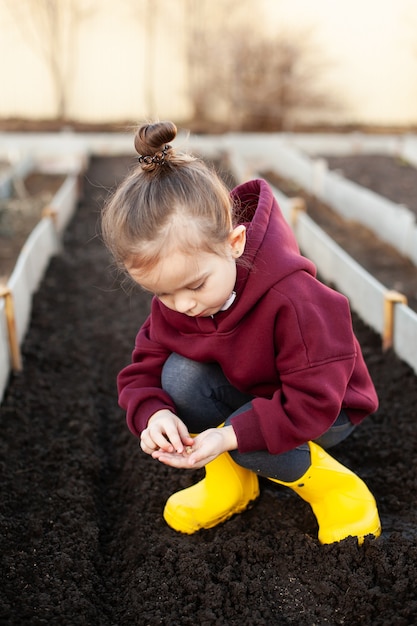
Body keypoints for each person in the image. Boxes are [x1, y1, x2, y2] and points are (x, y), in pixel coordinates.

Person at [101, 120, 381, 544]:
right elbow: (144, 370)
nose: (184, 306)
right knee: (179, 377)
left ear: (234, 243)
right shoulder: (180, 300)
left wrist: (231, 435)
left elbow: (313, 399)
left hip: (325, 410)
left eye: (195, 285)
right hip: (257, 396)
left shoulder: (295, 300)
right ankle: (231, 484)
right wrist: (152, 414)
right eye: (162, 293)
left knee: (247, 440)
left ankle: (337, 491)